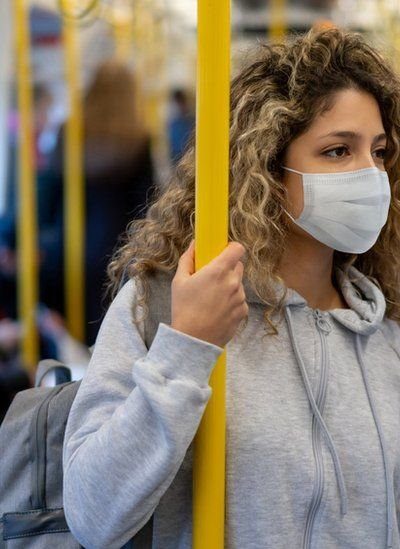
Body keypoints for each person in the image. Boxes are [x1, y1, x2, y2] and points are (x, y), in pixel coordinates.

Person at [63, 28, 400, 548]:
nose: (370, 174)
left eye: (378, 152)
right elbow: (91, 513)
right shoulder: (168, 305)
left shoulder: (386, 330)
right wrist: (185, 349)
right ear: (267, 167)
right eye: (337, 151)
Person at [40, 60, 155, 345]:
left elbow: (49, 194)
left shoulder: (69, 132)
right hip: (117, 250)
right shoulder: (139, 139)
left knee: (68, 336)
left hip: (67, 246)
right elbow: (146, 203)